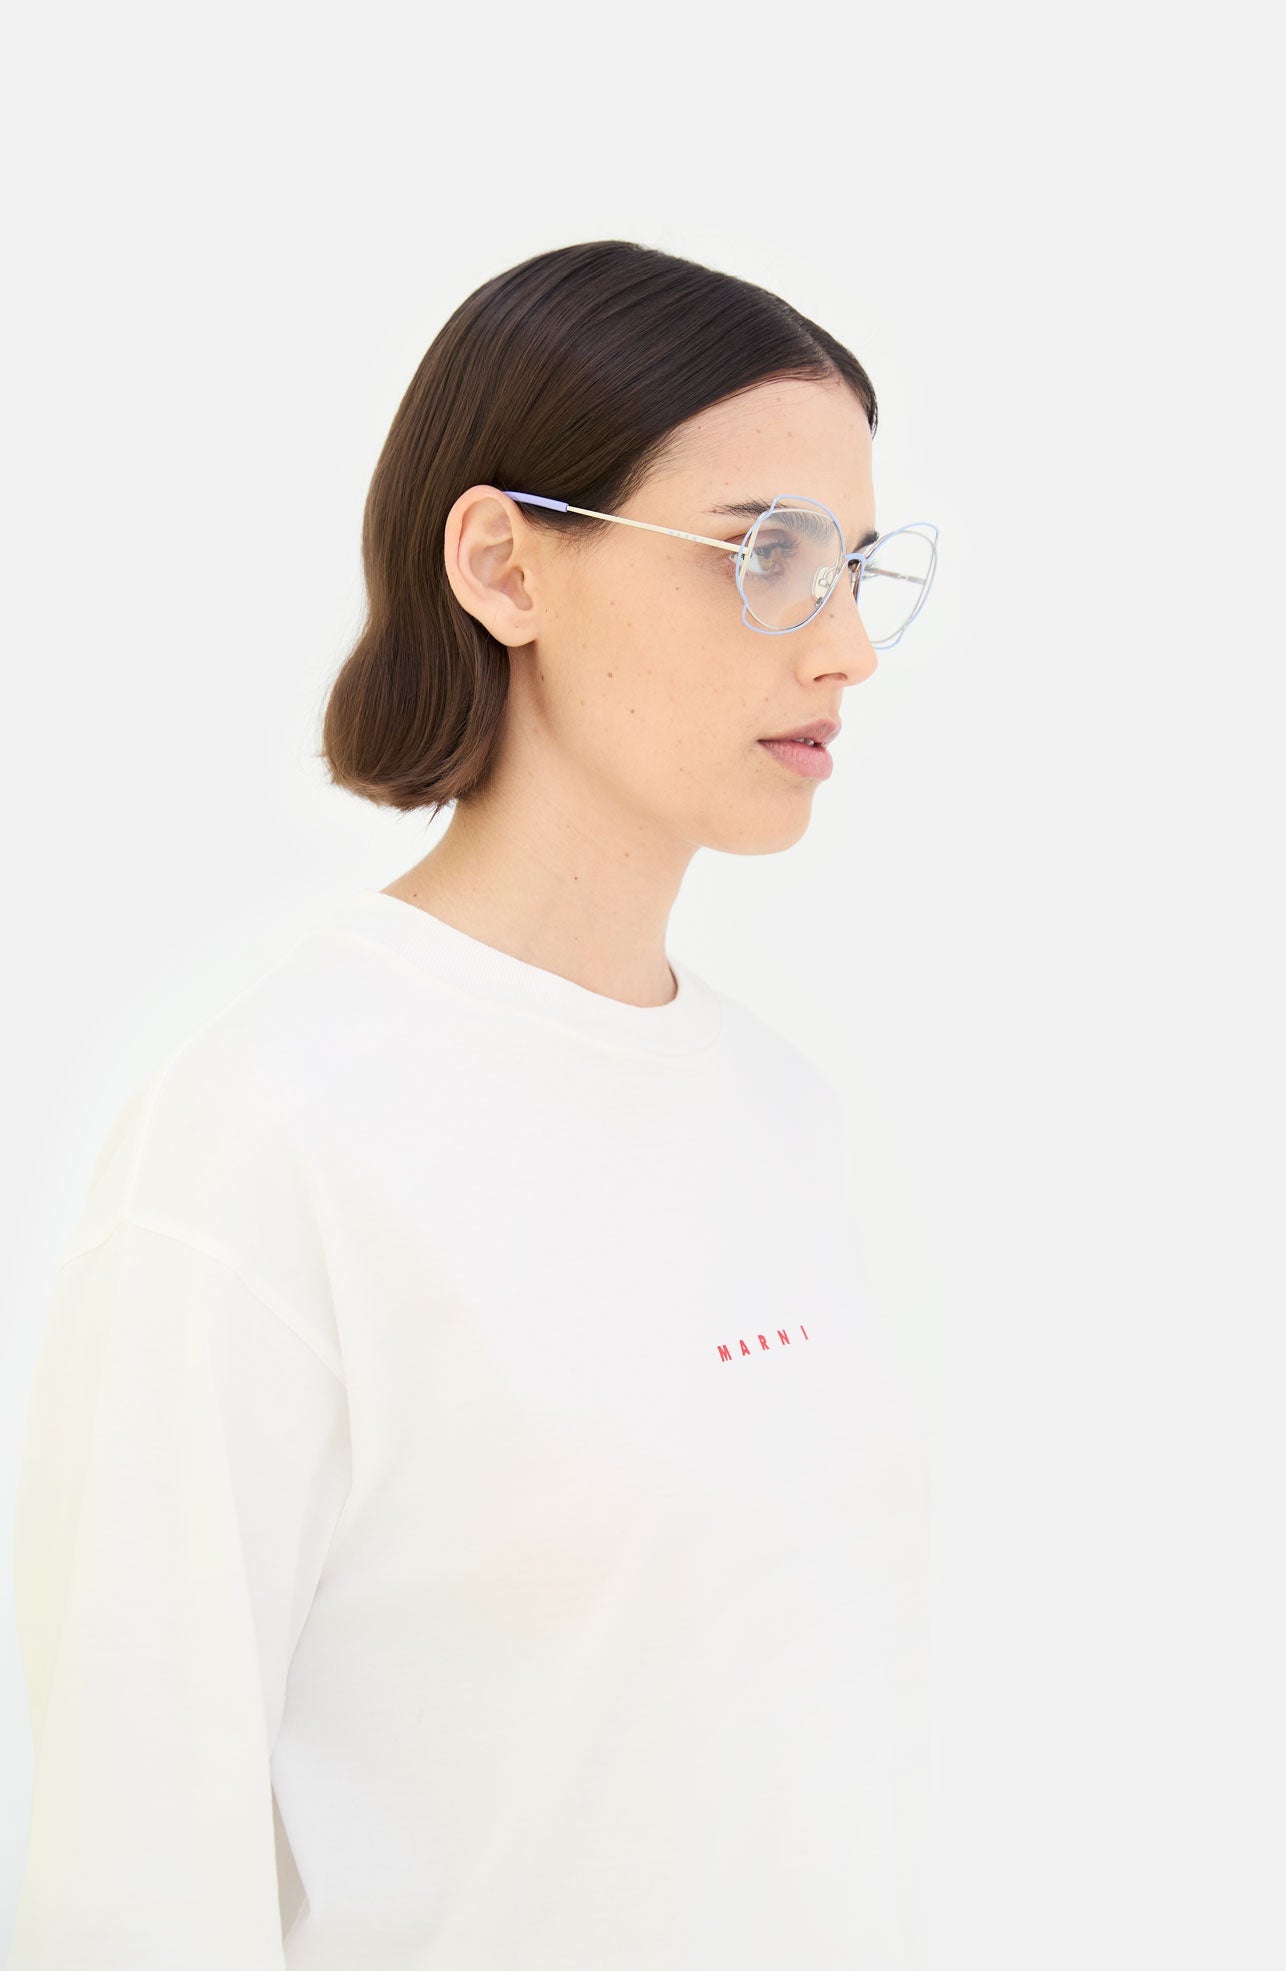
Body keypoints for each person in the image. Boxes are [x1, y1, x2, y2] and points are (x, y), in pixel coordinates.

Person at [7, 238, 938, 1970]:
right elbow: (136, 1883)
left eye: (855, 568)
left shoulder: (789, 1119)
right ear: (505, 565)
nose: (846, 650)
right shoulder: (262, 1144)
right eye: (766, 555)